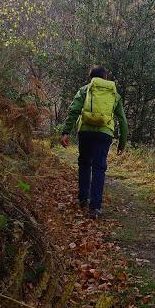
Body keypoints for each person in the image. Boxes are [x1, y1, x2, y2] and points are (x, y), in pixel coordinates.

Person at [61, 65, 128, 219]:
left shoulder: (85, 90)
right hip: (105, 134)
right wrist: (122, 143)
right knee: (99, 168)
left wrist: (66, 132)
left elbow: (74, 111)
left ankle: (83, 199)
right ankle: (95, 208)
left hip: (85, 131)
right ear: (105, 77)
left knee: (84, 163)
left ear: (91, 78)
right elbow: (123, 121)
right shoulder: (114, 93)